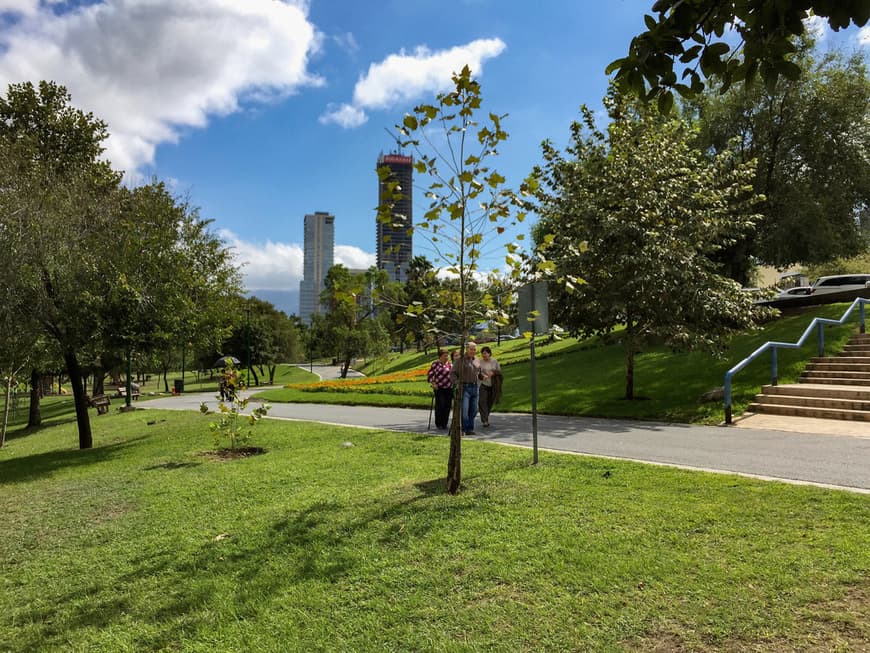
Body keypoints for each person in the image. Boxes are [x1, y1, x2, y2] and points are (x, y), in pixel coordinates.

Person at [450, 341, 481, 436]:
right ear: (466, 349)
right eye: (471, 349)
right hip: (464, 387)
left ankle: (470, 428)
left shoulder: (476, 359)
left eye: (474, 349)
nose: (473, 351)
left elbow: (479, 372)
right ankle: (463, 429)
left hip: (475, 387)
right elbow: (453, 373)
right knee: (464, 410)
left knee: (474, 409)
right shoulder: (460, 360)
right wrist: (456, 382)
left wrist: (482, 376)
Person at [426, 348, 453, 429]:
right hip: (439, 388)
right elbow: (430, 375)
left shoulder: (450, 364)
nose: (446, 357)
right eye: (445, 356)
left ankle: (444, 423)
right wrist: (433, 383)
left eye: (447, 356)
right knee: (440, 405)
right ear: (440, 356)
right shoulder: (435, 364)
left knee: (447, 406)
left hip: (448, 388)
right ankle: (439, 423)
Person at [477, 346, 502, 428]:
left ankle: (486, 417)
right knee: (482, 401)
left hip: (493, 385)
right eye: (482, 353)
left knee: (489, 402)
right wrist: (482, 376)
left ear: (489, 353)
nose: (484, 355)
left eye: (485, 353)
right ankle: (484, 420)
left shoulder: (494, 361)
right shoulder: (480, 362)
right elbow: (477, 373)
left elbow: (499, 371)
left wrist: (493, 373)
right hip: (483, 384)